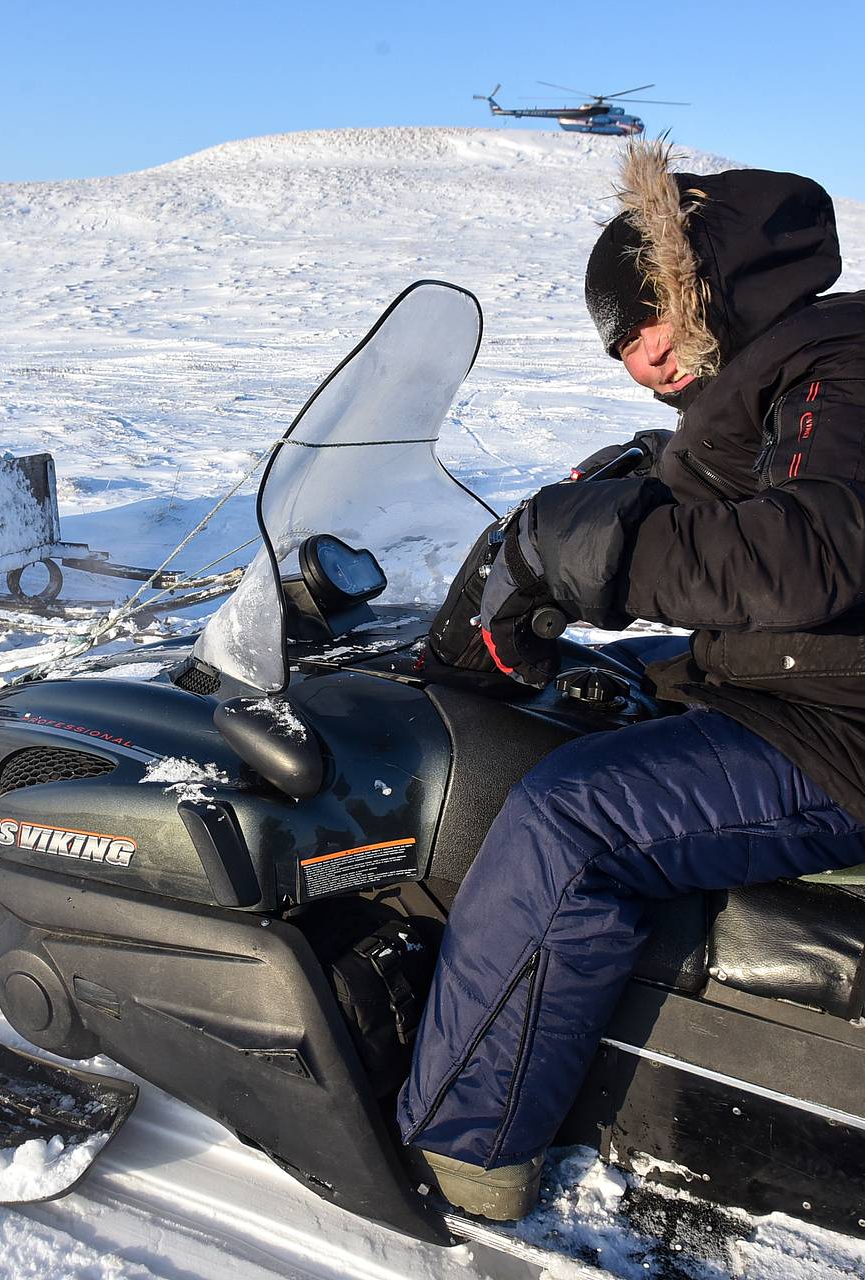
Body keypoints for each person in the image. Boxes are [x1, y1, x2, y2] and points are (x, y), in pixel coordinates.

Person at [399, 140, 865, 1221]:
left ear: (696, 288)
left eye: (638, 322)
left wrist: (591, 553)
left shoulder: (839, 361)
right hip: (804, 687)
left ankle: (464, 1145)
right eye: (616, 343)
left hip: (836, 730)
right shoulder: (782, 372)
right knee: (593, 697)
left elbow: (812, 553)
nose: (633, 357)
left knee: (571, 817)